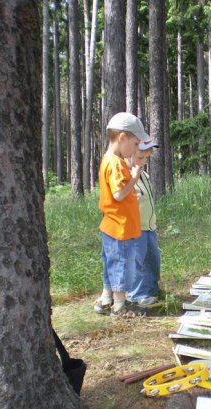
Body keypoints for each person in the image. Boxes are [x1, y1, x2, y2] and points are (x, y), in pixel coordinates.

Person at [94, 112, 149, 318]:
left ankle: (106, 299)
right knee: (122, 264)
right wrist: (134, 178)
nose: (136, 149)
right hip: (120, 227)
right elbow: (118, 194)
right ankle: (120, 306)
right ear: (122, 138)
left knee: (111, 262)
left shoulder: (110, 160)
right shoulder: (115, 162)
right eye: (135, 144)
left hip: (112, 225)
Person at [126, 141, 161, 306]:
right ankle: (137, 295)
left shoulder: (144, 175)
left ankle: (152, 289)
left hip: (149, 227)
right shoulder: (126, 175)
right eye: (140, 158)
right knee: (137, 262)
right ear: (129, 154)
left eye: (146, 158)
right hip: (135, 228)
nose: (143, 162)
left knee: (152, 259)